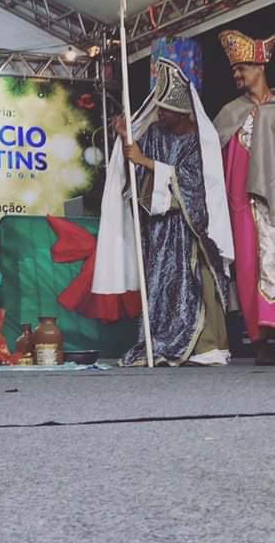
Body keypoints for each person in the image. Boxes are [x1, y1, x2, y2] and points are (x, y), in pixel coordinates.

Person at [93, 58, 233, 366]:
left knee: (196, 284)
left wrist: (146, 162)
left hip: (189, 229)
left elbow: (194, 184)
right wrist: (125, 139)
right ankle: (161, 340)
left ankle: (205, 347)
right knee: (160, 286)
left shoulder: (200, 141)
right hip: (159, 229)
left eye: (166, 110)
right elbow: (136, 174)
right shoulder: (155, 134)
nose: (160, 114)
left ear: (182, 111)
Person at [214, 30, 275, 364]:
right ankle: (260, 340)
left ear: (260, 67)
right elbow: (210, 155)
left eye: (242, 68)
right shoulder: (230, 112)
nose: (237, 75)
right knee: (249, 269)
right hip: (244, 203)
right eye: (234, 70)